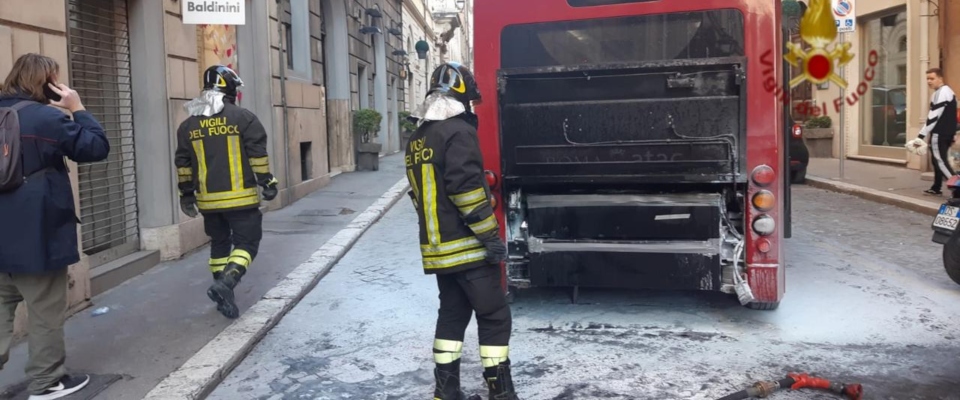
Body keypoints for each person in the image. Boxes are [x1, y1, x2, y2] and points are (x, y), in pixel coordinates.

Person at [406, 62, 520, 400]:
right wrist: (490, 237)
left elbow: (423, 195)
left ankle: (446, 392)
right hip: (468, 248)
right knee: (495, 315)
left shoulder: (418, 137)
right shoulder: (458, 132)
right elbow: (465, 190)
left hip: (438, 251)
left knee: (452, 317)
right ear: (461, 97)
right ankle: (500, 393)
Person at [0, 53, 109, 399]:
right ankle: (46, 383)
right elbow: (95, 147)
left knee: (0, 307)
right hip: (36, 232)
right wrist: (77, 107)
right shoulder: (46, 118)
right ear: (47, 82)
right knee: (45, 309)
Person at [174, 65, 278, 319]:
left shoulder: (188, 125)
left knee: (219, 244)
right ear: (229, 87)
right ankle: (226, 283)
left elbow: (183, 165)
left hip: (209, 203)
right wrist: (268, 182)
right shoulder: (244, 118)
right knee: (246, 243)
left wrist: (186, 195)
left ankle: (224, 299)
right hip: (241, 200)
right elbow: (258, 157)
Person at [914, 68, 958, 195]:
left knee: (940, 161)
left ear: (940, 78)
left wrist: (920, 136)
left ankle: (957, 189)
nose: (929, 81)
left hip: (939, 133)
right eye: (927, 78)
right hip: (946, 132)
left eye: (932, 78)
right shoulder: (947, 91)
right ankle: (936, 187)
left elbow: (933, 116)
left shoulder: (941, 93)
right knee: (936, 160)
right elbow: (951, 115)